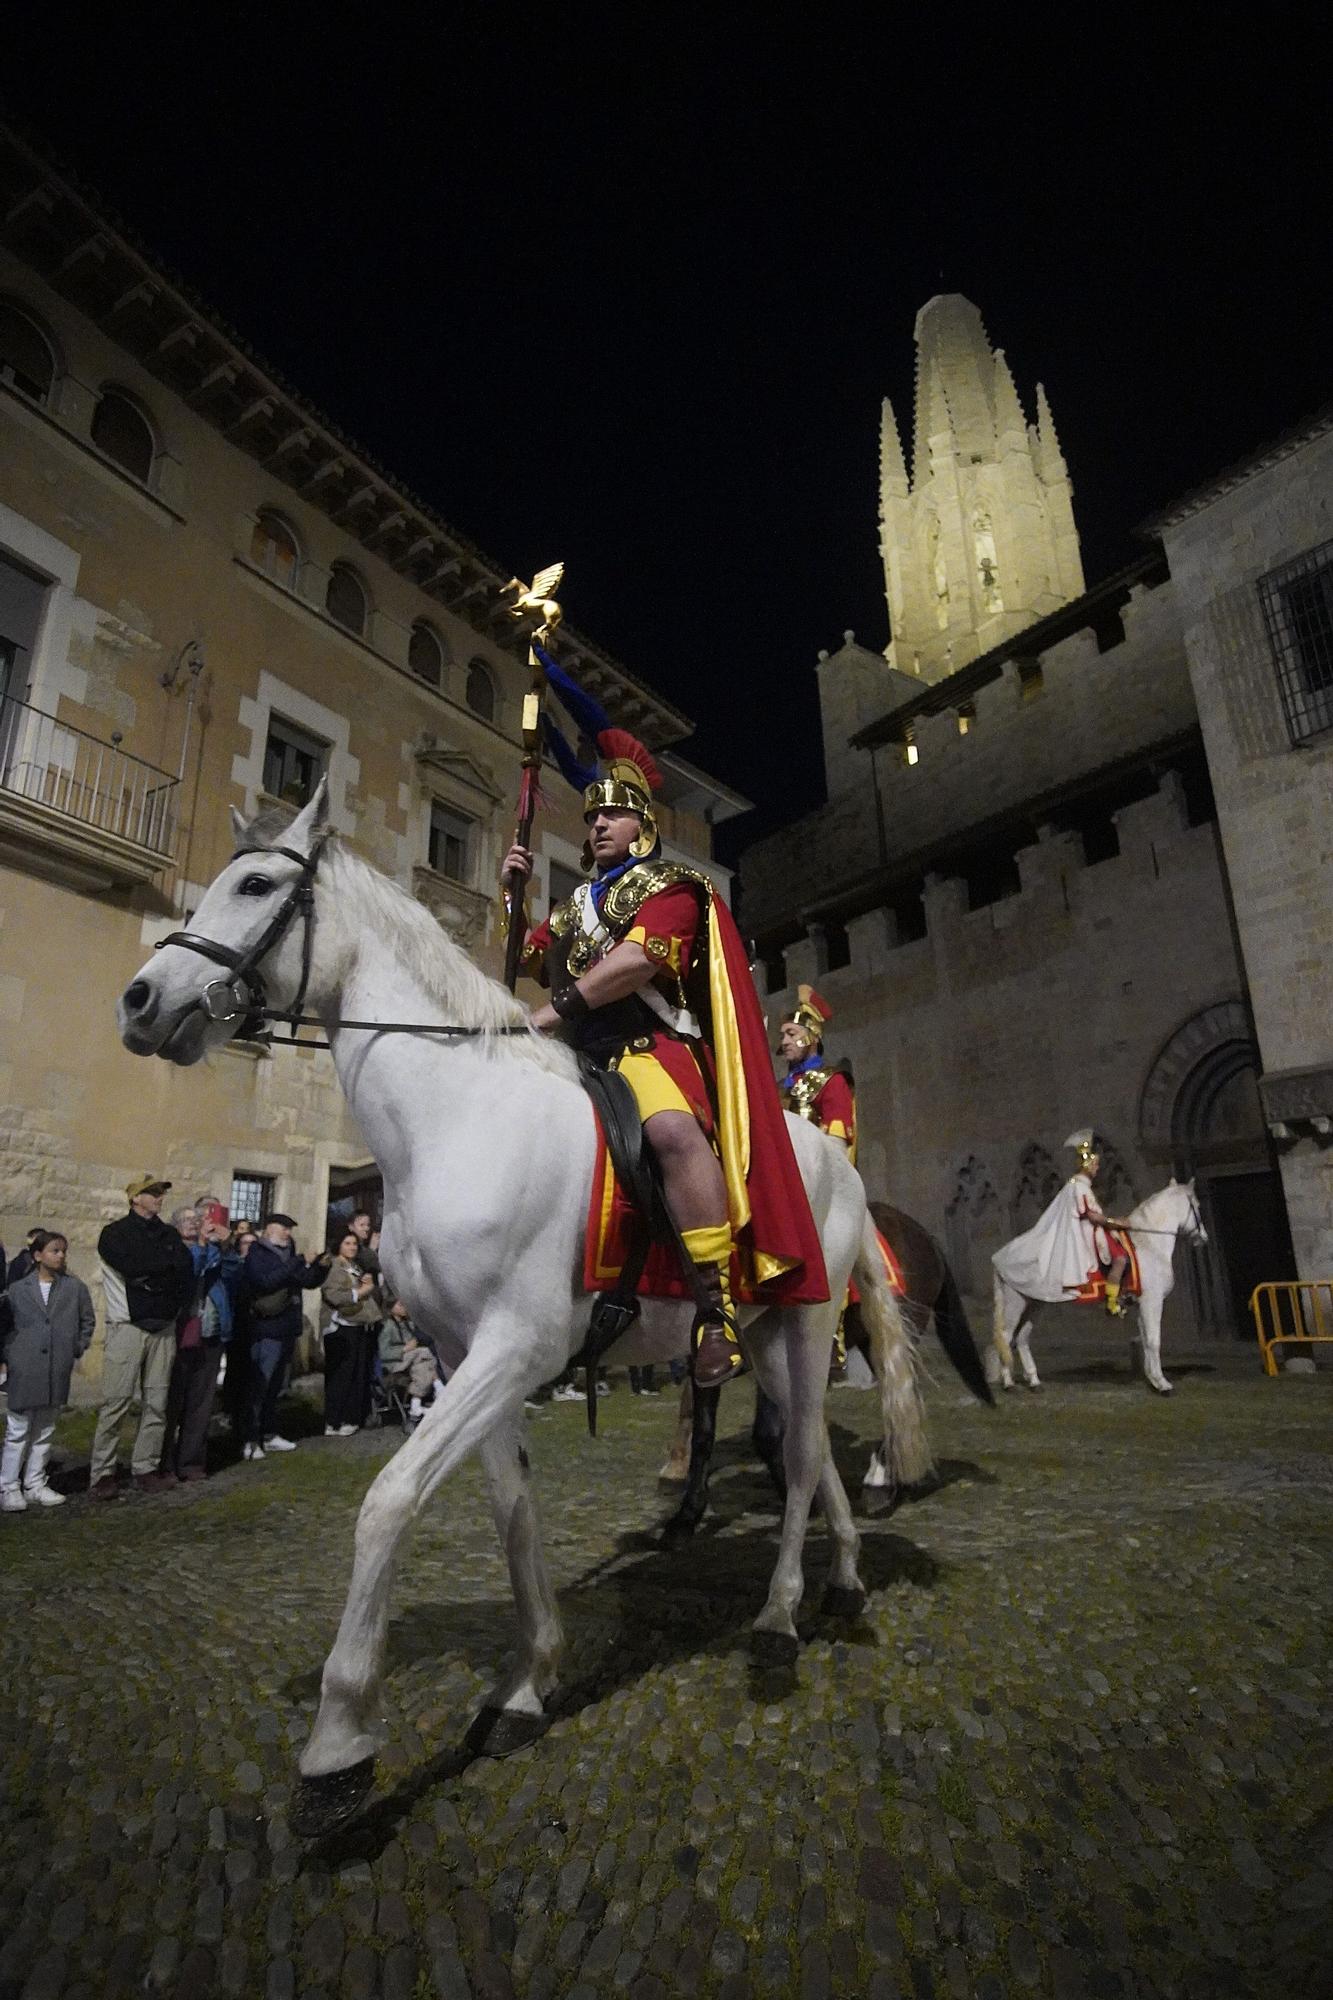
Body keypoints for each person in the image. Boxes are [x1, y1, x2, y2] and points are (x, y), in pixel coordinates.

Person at [503, 735, 827, 1388]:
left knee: (671, 1132)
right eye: (592, 815)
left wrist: (552, 1012)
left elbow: (636, 963)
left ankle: (716, 1310)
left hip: (650, 1050)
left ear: (642, 826)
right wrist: (513, 897)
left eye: (612, 814)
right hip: (578, 1055)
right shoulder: (572, 910)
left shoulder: (675, 887)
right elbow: (523, 963)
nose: (597, 824)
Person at [90, 1176, 195, 1499]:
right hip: (129, 1325)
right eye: (152, 1193)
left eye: (160, 1193)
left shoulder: (167, 1234)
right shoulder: (115, 1234)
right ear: (135, 1198)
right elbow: (134, 1267)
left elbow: (184, 1268)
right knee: (116, 1401)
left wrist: (157, 1278)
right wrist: (157, 1272)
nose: (159, 1197)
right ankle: (102, 1472)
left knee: (157, 1401)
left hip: (162, 1325)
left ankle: (145, 1466)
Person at [0, 1232, 94, 1510]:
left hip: (56, 1366)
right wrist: (9, 1356)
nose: (61, 1255)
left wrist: (76, 1347)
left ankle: (35, 1482)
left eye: (63, 1251)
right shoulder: (18, 1290)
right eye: (54, 1250)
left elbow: (86, 1320)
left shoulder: (74, 1289)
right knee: (18, 1429)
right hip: (25, 1366)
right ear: (38, 1255)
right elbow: (6, 1324)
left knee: (45, 1428)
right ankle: (8, 1486)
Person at [993, 1129, 1133, 1314]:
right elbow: (1092, 1216)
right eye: (1096, 1165)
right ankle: (1112, 1302)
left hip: (1092, 1230)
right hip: (1089, 1233)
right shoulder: (1079, 1188)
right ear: (1088, 1165)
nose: (1098, 1168)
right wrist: (1115, 1222)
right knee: (1120, 1259)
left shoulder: (1077, 1186)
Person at [238, 1214, 329, 1459]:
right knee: (260, 1385)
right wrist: (297, 1261)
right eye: (283, 1228)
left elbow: (306, 1281)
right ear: (269, 1229)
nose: (288, 1233)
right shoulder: (258, 1254)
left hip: (287, 1327)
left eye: (289, 1229)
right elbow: (266, 1281)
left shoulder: (289, 1254)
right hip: (266, 1328)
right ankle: (250, 1438)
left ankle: (269, 1434)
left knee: (275, 1386)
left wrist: (321, 1268)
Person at [160, 1201, 239, 1482]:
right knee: (172, 1402)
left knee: (201, 1403)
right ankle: (164, 1462)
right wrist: (203, 1245)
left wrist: (227, 1245)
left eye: (201, 1219)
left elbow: (232, 1273)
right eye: (190, 1219)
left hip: (211, 1334)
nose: (197, 1223)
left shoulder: (214, 1250)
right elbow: (191, 1272)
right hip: (181, 1334)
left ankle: (191, 1461)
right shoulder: (176, 1250)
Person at [778, 986, 857, 1155]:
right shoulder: (779, 1088)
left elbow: (836, 1149)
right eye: (782, 1036)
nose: (784, 1042)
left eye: (791, 1034)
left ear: (812, 1037)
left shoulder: (831, 1081)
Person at [320, 1229, 380, 1436]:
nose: (352, 1247)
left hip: (357, 1324)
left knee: (355, 1373)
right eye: (347, 1243)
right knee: (341, 1375)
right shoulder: (335, 1266)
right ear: (339, 1246)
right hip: (341, 1326)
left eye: (354, 1244)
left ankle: (349, 1417)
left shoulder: (352, 1267)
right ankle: (335, 1419)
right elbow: (334, 1294)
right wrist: (360, 1292)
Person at [377, 1298, 441, 1422]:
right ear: (392, 1309)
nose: (404, 1308)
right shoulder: (388, 1327)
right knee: (424, 1352)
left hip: (413, 1361)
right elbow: (384, 1353)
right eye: (400, 1305)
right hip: (395, 1363)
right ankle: (438, 1386)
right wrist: (404, 1349)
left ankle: (415, 1405)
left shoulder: (409, 1325)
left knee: (422, 1365)